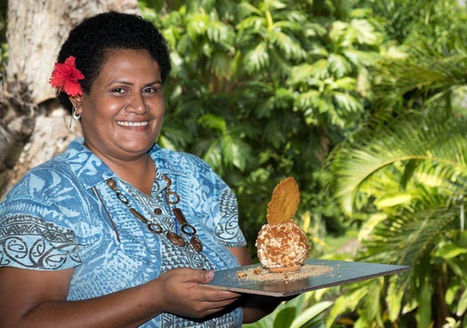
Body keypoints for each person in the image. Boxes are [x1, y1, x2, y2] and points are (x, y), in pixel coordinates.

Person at [0, 11, 280, 327]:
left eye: (150, 89)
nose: (140, 106)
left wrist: (286, 279)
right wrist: (154, 298)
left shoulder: (198, 177)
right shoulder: (47, 194)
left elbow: (242, 307)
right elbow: (19, 321)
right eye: (119, 90)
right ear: (78, 98)